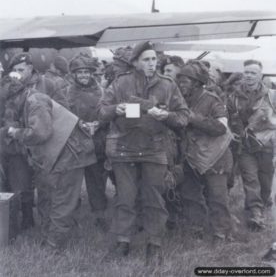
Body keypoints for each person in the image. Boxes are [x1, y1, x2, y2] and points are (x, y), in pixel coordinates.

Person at [98, 41, 189, 262]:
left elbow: (184, 116)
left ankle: (154, 243)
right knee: (125, 198)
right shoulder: (120, 83)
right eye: (146, 60)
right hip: (124, 147)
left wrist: (166, 117)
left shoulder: (168, 85)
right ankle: (123, 241)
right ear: (136, 63)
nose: (151, 63)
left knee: (154, 198)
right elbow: (101, 111)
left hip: (155, 147)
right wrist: (114, 109)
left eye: (154, 59)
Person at [2, 72, 96, 249]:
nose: (8, 107)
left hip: (72, 153)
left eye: (8, 102)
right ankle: (50, 234)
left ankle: (54, 244)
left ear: (15, 96)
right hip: (58, 153)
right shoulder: (26, 102)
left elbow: (41, 133)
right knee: (47, 196)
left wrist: (16, 133)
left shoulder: (35, 101)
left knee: (62, 200)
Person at [1, 52, 69, 230]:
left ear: (31, 68)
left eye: (21, 69)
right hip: (17, 143)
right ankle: (25, 219)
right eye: (14, 70)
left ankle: (50, 224)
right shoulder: (8, 87)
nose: (17, 73)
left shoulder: (47, 84)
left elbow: (63, 110)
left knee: (46, 185)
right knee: (19, 182)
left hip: (43, 143)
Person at [175, 62, 233, 244]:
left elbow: (221, 127)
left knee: (217, 196)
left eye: (185, 81)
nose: (181, 85)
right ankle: (196, 228)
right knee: (190, 194)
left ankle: (221, 233)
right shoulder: (180, 99)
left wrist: (193, 118)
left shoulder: (212, 100)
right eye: (180, 81)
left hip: (215, 157)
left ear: (197, 83)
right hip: (191, 156)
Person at [228, 59, 275, 231]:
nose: (249, 76)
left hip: (266, 144)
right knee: (250, 179)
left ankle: (260, 206)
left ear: (260, 75)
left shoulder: (271, 95)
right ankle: (256, 214)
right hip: (245, 145)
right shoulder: (233, 97)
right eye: (246, 72)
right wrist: (232, 131)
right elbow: (228, 118)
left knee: (265, 181)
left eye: (253, 73)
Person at [67, 54, 108, 230]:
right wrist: (79, 124)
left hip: (96, 143)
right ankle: (71, 217)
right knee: (72, 183)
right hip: (75, 144)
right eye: (79, 72)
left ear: (91, 73)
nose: (83, 75)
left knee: (97, 182)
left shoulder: (101, 91)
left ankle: (100, 216)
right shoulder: (68, 92)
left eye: (86, 72)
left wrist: (99, 123)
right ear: (74, 75)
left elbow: (108, 113)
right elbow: (63, 115)